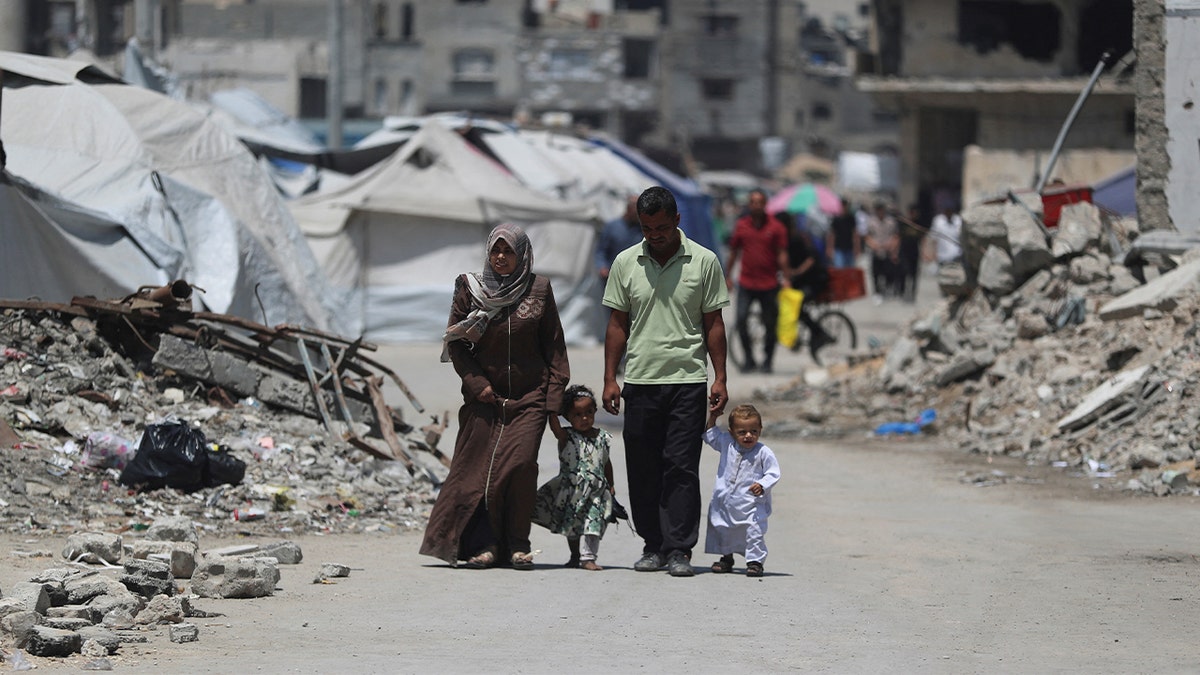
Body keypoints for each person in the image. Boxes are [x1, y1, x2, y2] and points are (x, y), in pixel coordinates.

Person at [420, 223, 570, 570]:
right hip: (483, 399)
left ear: (522, 255)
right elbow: (455, 342)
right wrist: (476, 384)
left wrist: (552, 404)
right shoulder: (470, 288)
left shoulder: (539, 289)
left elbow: (555, 347)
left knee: (517, 467)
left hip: (529, 397)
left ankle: (517, 544)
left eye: (509, 251)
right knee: (477, 472)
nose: (501, 257)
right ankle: (485, 544)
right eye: (496, 251)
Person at [601, 185, 730, 578]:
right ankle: (652, 545)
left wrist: (720, 377)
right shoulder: (625, 262)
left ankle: (679, 549)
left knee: (681, 466)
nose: (654, 234)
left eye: (660, 227)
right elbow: (617, 324)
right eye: (646, 228)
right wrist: (610, 377)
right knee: (641, 466)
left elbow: (714, 324)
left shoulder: (704, 262)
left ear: (676, 221)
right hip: (640, 381)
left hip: (687, 379)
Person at [532, 384, 616, 571]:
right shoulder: (566, 436)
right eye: (577, 415)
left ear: (595, 411)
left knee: (593, 522)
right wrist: (552, 409)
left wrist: (611, 484)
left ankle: (588, 557)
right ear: (567, 417)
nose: (584, 418)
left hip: (596, 491)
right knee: (573, 526)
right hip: (573, 491)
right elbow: (554, 426)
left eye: (589, 412)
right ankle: (575, 555)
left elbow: (605, 462)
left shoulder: (602, 437)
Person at [704, 403, 780, 578]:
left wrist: (762, 484)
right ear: (731, 432)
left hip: (752, 504)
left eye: (753, 431)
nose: (748, 436)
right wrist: (713, 417)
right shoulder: (726, 444)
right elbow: (711, 436)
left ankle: (755, 562)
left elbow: (773, 472)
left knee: (754, 532)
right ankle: (726, 559)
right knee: (724, 529)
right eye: (742, 432)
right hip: (726, 502)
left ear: (760, 430)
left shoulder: (763, 452)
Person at [725, 189, 789, 373]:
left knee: (771, 324)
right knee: (741, 320)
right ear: (749, 204)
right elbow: (734, 252)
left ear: (765, 204)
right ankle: (749, 359)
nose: (756, 205)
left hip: (769, 284)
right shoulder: (742, 226)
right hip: (746, 282)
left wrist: (786, 278)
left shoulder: (776, 227)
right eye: (753, 202)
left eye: (760, 202)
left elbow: (782, 254)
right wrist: (728, 276)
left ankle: (768, 360)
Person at [780, 212, 835, 364]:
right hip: (802, 281)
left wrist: (796, 272)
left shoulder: (799, 238)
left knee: (797, 305)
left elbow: (812, 259)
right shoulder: (787, 240)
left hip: (815, 280)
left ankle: (820, 333)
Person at [864, 202, 899, 301]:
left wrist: (892, 247)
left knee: (888, 272)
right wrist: (874, 245)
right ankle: (877, 292)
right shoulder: (871, 221)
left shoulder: (890, 222)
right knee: (875, 273)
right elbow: (867, 236)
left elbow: (896, 236)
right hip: (875, 251)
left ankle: (887, 290)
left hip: (887, 251)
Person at [897, 204, 925, 303]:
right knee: (904, 272)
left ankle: (912, 294)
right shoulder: (904, 223)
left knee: (914, 274)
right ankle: (902, 292)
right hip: (904, 252)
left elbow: (922, 238)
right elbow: (898, 237)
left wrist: (924, 252)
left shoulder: (918, 224)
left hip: (914, 252)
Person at [825, 199, 860, 269]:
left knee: (850, 270)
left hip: (849, 248)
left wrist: (857, 247)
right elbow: (832, 235)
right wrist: (829, 248)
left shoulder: (851, 219)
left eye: (845, 205)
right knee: (839, 269)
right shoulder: (836, 219)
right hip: (838, 248)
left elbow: (855, 233)